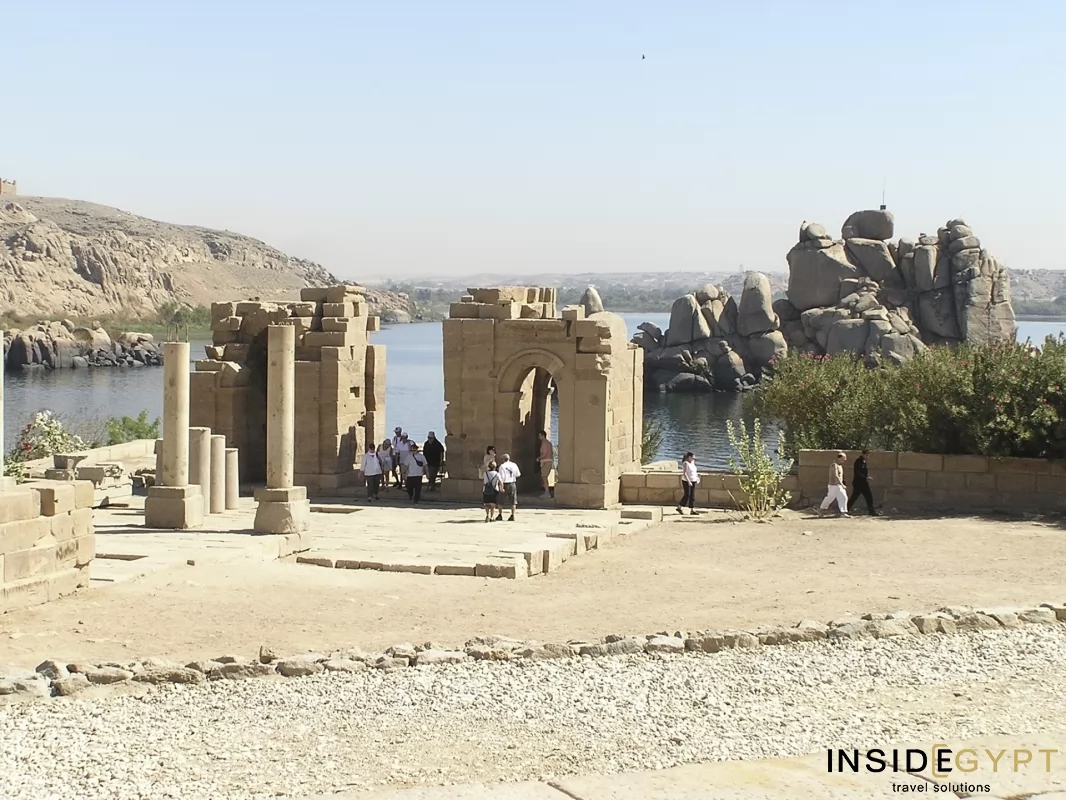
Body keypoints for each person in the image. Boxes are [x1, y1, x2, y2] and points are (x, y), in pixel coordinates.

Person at [849, 449, 879, 516]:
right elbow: (857, 472)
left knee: (869, 497)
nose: (867, 456)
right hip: (858, 483)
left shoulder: (864, 462)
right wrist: (865, 478)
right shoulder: (858, 462)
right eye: (866, 455)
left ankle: (871, 511)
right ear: (863, 454)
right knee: (854, 497)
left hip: (864, 483)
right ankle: (846, 509)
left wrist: (866, 478)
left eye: (868, 455)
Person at [819, 452, 850, 517]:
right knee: (829, 498)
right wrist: (842, 484)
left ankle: (843, 513)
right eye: (844, 458)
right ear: (839, 458)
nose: (845, 459)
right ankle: (821, 510)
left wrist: (842, 483)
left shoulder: (840, 466)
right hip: (833, 486)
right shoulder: (834, 465)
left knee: (844, 497)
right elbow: (836, 475)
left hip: (838, 486)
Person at [496, 453, 521, 521]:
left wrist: (501, 486)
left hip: (505, 483)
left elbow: (501, 477)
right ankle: (512, 515)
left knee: (501, 500)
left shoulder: (502, 466)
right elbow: (518, 474)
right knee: (513, 500)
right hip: (512, 483)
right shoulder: (514, 465)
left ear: (503, 460)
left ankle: (500, 514)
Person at [537, 431, 555, 500]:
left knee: (544, 477)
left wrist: (538, 458)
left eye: (539, 436)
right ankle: (546, 492)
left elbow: (544, 454)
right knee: (544, 477)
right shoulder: (548, 443)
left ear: (543, 436)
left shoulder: (544, 443)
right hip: (547, 461)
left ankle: (547, 492)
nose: (539, 437)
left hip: (546, 461)